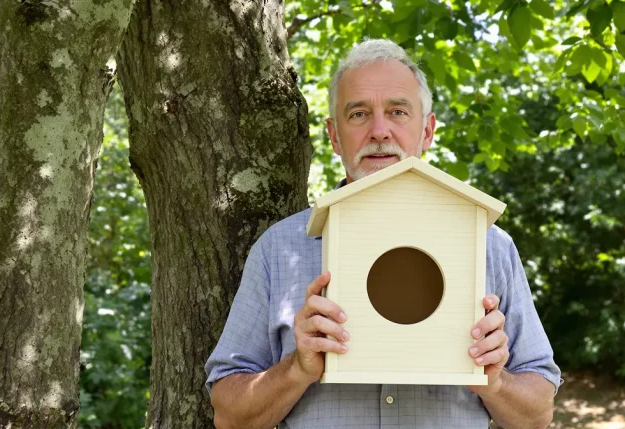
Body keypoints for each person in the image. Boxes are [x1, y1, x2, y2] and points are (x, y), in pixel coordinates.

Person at [204, 38, 562, 429]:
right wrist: (296, 368)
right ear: (334, 135)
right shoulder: (279, 249)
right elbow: (229, 415)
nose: (379, 130)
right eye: (358, 113)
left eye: (397, 111)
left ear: (427, 131)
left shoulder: (490, 247)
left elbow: (538, 414)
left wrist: (496, 381)